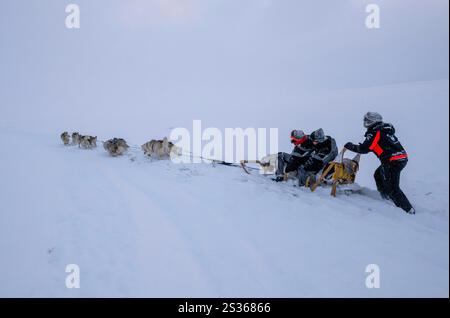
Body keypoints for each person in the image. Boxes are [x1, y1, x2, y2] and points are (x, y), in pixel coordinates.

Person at [344, 112, 415, 214]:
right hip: (400, 158)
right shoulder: (383, 129)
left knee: (393, 188)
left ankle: (408, 210)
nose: (365, 123)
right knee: (378, 175)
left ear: (373, 121)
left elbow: (365, 148)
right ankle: (385, 198)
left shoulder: (375, 132)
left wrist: (350, 146)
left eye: (367, 120)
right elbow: (374, 145)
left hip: (392, 161)